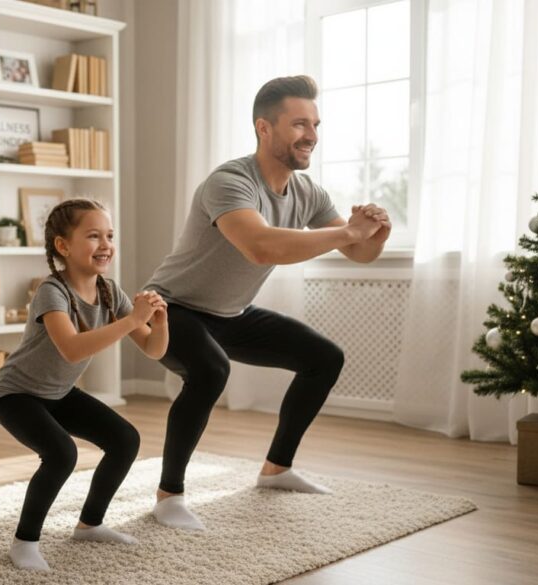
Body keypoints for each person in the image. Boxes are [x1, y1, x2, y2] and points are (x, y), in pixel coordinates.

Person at [144, 75, 391, 530]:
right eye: (300, 124)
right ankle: (168, 496)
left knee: (323, 358)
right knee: (210, 371)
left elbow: (358, 252)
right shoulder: (230, 181)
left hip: (230, 313)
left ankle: (277, 470)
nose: (312, 135)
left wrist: (375, 234)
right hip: (169, 308)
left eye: (315, 125)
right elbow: (260, 246)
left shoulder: (307, 192)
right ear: (264, 128)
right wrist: (349, 232)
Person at [0, 198, 168, 571]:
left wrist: (158, 320)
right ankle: (24, 542)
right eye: (93, 236)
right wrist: (133, 318)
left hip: (58, 393)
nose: (105, 244)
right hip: (16, 394)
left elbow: (152, 349)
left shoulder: (108, 291)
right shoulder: (51, 291)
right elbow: (71, 349)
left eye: (109, 235)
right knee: (61, 454)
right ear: (63, 246)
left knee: (125, 439)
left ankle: (90, 524)